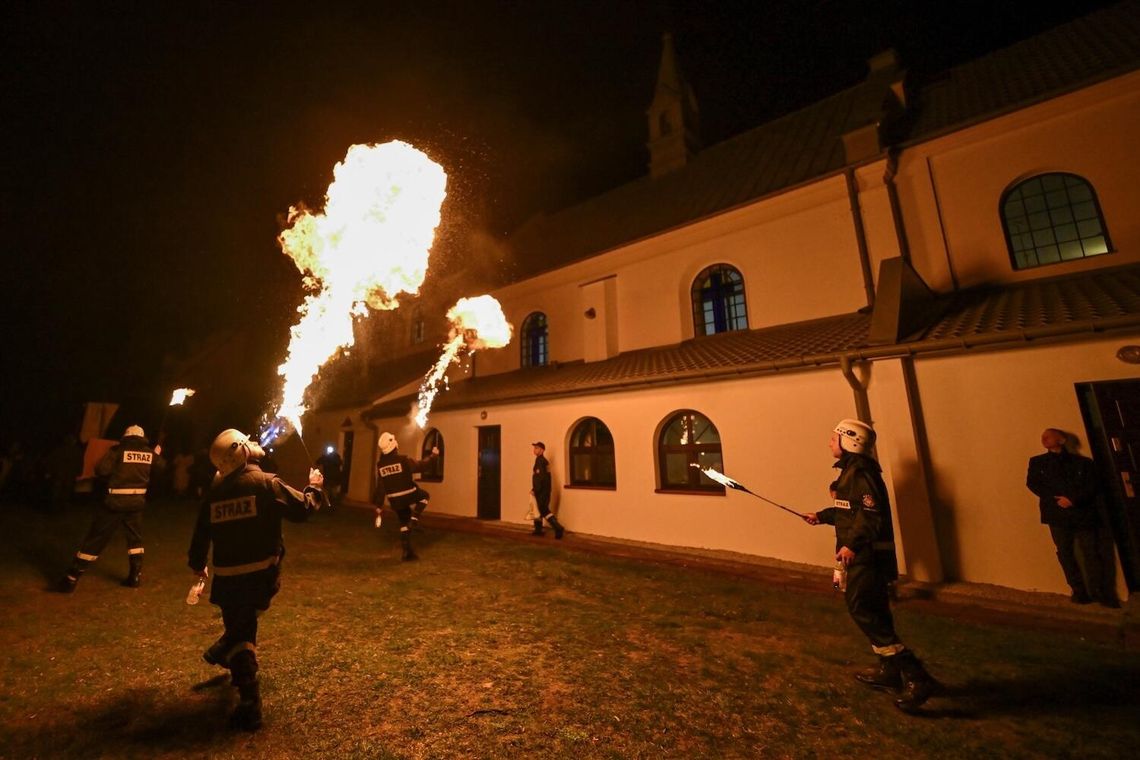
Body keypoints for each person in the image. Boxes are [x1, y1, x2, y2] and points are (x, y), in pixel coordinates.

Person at [188, 428, 326, 731]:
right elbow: (302, 509)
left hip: (227, 581)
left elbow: (200, 536)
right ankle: (248, 701)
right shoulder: (266, 483)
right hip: (263, 576)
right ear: (240, 452)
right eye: (247, 441)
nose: (254, 443)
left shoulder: (216, 493)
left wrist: (198, 566)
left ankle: (230, 654)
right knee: (243, 632)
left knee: (240, 626)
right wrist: (314, 487)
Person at [802, 419, 936, 712]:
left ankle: (916, 676)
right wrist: (822, 516)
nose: (829, 443)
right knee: (872, 611)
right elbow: (850, 511)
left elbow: (871, 515)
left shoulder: (861, 474)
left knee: (863, 608)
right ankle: (890, 672)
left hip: (866, 555)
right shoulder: (852, 473)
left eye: (833, 438)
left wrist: (853, 544)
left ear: (849, 441)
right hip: (860, 553)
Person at [57, 425, 164, 591]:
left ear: (126, 436)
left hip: (115, 502)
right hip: (136, 503)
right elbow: (161, 467)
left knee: (96, 538)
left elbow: (101, 470)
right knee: (135, 540)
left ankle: (71, 578)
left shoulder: (117, 450)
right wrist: (156, 454)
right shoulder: (149, 453)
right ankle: (135, 577)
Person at [1026, 428, 1117, 607]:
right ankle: (1078, 590)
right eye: (1042, 436)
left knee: (1091, 552)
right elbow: (1033, 483)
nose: (1044, 438)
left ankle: (1100, 591)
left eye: (1049, 435)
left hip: (1082, 512)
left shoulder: (1082, 463)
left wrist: (1073, 499)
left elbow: (1093, 485)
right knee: (1065, 553)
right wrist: (1055, 498)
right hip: (1056, 513)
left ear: (1062, 440)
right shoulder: (1038, 462)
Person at [372, 432, 437, 561]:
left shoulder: (380, 465)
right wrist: (433, 456)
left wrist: (378, 505)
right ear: (393, 445)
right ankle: (414, 520)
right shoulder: (403, 460)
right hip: (408, 494)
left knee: (403, 522)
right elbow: (421, 466)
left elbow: (381, 486)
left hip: (394, 500)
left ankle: (407, 553)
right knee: (425, 496)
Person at [530, 442, 564, 539]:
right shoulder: (543, 461)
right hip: (544, 490)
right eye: (534, 448)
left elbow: (539, 478)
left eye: (537, 448)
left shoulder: (540, 461)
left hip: (541, 491)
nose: (534, 450)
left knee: (543, 510)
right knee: (538, 509)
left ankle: (558, 528)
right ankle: (538, 530)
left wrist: (535, 490)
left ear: (542, 450)